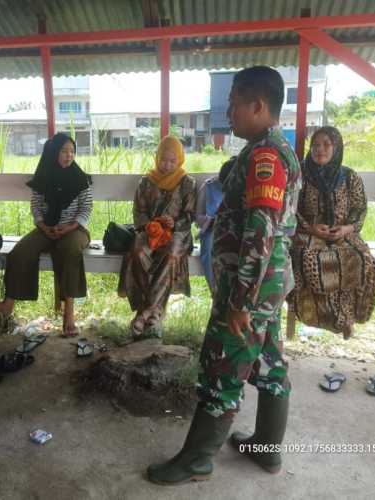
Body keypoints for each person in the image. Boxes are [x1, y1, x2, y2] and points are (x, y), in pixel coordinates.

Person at [147, 66, 301, 485]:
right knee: (268, 363)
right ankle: (267, 450)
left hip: (251, 285)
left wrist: (242, 300)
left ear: (258, 106)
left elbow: (261, 231)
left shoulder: (266, 156)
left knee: (223, 366)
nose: (228, 111)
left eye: (234, 103)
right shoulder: (268, 150)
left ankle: (197, 459)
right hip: (266, 284)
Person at [0, 133, 93, 337]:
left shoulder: (81, 179)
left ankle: (69, 313)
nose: (69, 156)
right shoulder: (43, 177)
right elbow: (35, 206)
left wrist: (69, 227)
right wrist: (43, 226)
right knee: (20, 252)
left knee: (70, 251)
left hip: (75, 230)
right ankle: (9, 303)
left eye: (72, 151)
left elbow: (86, 208)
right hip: (47, 228)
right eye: (64, 151)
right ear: (54, 153)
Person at [288, 126, 375, 339]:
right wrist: (310, 227)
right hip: (307, 232)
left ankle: (346, 318)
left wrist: (346, 228)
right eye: (316, 145)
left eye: (327, 144)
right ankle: (321, 318)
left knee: (362, 260)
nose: (320, 149)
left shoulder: (349, 177)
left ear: (336, 148)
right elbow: (291, 207)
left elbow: (359, 208)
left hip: (343, 233)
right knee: (309, 260)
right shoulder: (301, 174)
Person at [118, 136, 196, 336]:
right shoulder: (146, 182)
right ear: (157, 158)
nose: (167, 165)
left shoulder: (187, 183)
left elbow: (189, 216)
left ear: (180, 160)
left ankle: (144, 313)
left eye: (172, 160)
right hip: (150, 231)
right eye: (163, 159)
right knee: (137, 251)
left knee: (171, 255)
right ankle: (153, 312)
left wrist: (174, 223)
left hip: (177, 234)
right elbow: (139, 212)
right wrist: (149, 225)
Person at [195, 160, 236, 295]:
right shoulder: (208, 187)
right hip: (211, 230)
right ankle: (215, 290)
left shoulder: (240, 187)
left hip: (234, 230)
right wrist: (210, 221)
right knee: (208, 247)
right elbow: (198, 217)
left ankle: (233, 292)